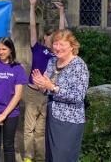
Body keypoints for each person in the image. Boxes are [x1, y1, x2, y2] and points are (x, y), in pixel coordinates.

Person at [31, 30, 89, 162]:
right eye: (55, 44)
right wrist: (41, 84)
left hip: (69, 120)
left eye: (62, 44)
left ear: (72, 46)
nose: (57, 48)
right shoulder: (52, 61)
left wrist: (52, 87)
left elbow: (78, 96)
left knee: (62, 158)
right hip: (52, 116)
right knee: (51, 157)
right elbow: (47, 89)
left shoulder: (79, 65)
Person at [22, 0, 66, 162]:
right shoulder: (37, 48)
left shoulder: (56, 53)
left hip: (47, 94)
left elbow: (63, 33)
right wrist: (32, 6)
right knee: (29, 128)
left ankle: (40, 158)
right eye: (48, 35)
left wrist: (61, 12)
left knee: (40, 130)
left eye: (53, 36)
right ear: (44, 37)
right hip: (33, 92)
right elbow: (32, 28)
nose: (51, 38)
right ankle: (27, 157)